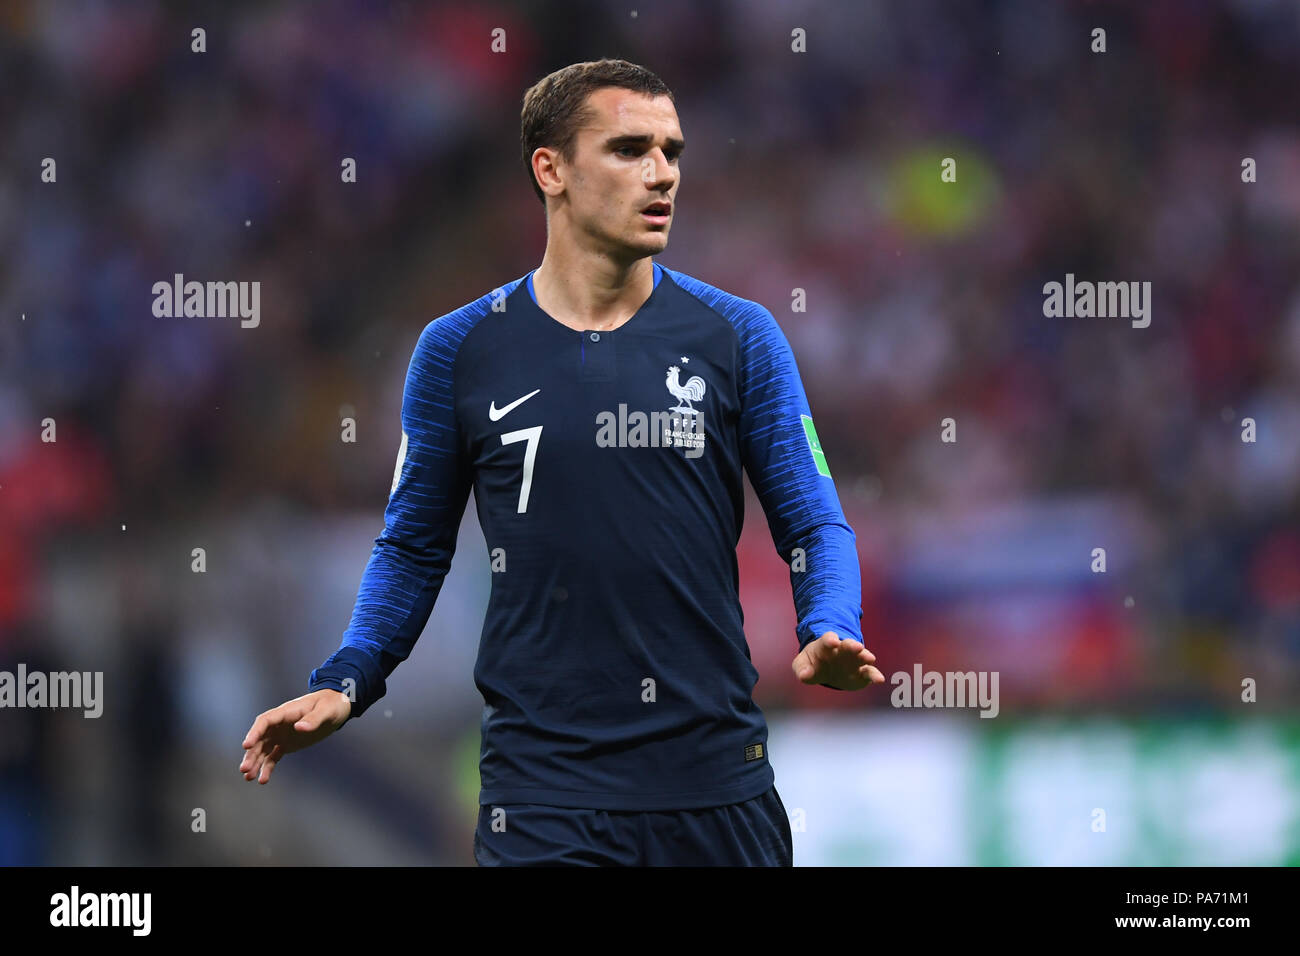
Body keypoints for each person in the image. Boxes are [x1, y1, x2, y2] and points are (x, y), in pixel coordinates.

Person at [239, 58, 883, 866]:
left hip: (716, 792)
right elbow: (412, 545)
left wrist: (829, 621)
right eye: (629, 149)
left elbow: (814, 518)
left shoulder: (738, 337)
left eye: (672, 151)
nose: (662, 175)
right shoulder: (459, 351)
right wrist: (349, 678)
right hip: (541, 803)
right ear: (551, 169)